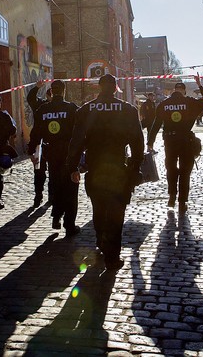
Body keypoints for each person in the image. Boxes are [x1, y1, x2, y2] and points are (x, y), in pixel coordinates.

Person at [66, 74, 144, 270]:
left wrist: (73, 167)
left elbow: (76, 141)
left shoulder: (85, 110)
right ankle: (112, 257)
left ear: (98, 87)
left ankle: (101, 240)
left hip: (95, 168)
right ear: (116, 87)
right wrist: (136, 167)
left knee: (99, 209)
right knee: (116, 213)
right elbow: (137, 141)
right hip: (119, 168)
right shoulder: (128, 109)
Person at [147, 75, 203, 216]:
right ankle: (182, 202)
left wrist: (150, 142)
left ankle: (171, 196)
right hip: (185, 141)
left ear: (173, 91)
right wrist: (200, 85)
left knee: (171, 169)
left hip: (170, 141)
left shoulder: (164, 104)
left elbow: (156, 125)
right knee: (185, 171)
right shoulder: (190, 102)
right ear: (184, 91)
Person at [28, 80, 81, 236]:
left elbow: (35, 133)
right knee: (71, 188)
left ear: (51, 91)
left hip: (51, 153)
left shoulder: (43, 110)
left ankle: (56, 217)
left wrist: (31, 151)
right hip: (69, 154)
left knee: (57, 185)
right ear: (63, 91)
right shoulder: (72, 109)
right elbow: (79, 132)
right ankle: (69, 225)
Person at [27, 81, 53, 207]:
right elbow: (30, 98)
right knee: (39, 171)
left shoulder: (61, 106)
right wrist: (37, 87)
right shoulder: (40, 105)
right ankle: (38, 195)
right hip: (39, 143)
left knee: (54, 171)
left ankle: (51, 196)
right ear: (48, 96)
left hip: (53, 144)